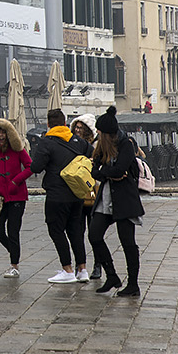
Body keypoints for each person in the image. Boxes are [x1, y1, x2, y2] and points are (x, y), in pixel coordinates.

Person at [88, 107, 145, 298]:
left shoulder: (126, 144)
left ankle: (133, 284)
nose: (97, 134)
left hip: (124, 199)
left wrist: (105, 171)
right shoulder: (101, 147)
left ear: (106, 132)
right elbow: (94, 170)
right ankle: (111, 275)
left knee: (128, 242)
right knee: (94, 235)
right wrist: (106, 171)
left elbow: (119, 170)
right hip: (106, 197)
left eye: (99, 131)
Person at [30, 108, 93, 284]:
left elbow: (36, 167)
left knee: (56, 230)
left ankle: (67, 270)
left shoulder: (47, 142)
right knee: (75, 231)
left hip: (57, 194)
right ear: (65, 123)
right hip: (77, 194)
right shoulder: (77, 141)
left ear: (49, 124)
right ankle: (82, 270)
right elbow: (92, 153)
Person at [0, 118, 32, 279]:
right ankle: (13, 251)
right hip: (0, 196)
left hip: (17, 196)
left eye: (3, 133)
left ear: (9, 134)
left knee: (13, 230)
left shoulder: (17, 150)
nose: (1, 136)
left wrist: (15, 181)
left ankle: (14, 265)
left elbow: (30, 166)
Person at [71, 113, 102, 280]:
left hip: (93, 191)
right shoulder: (73, 145)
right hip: (77, 192)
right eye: (76, 127)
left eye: (81, 128)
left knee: (94, 232)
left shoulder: (97, 145)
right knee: (77, 231)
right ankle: (80, 264)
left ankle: (98, 265)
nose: (78, 131)